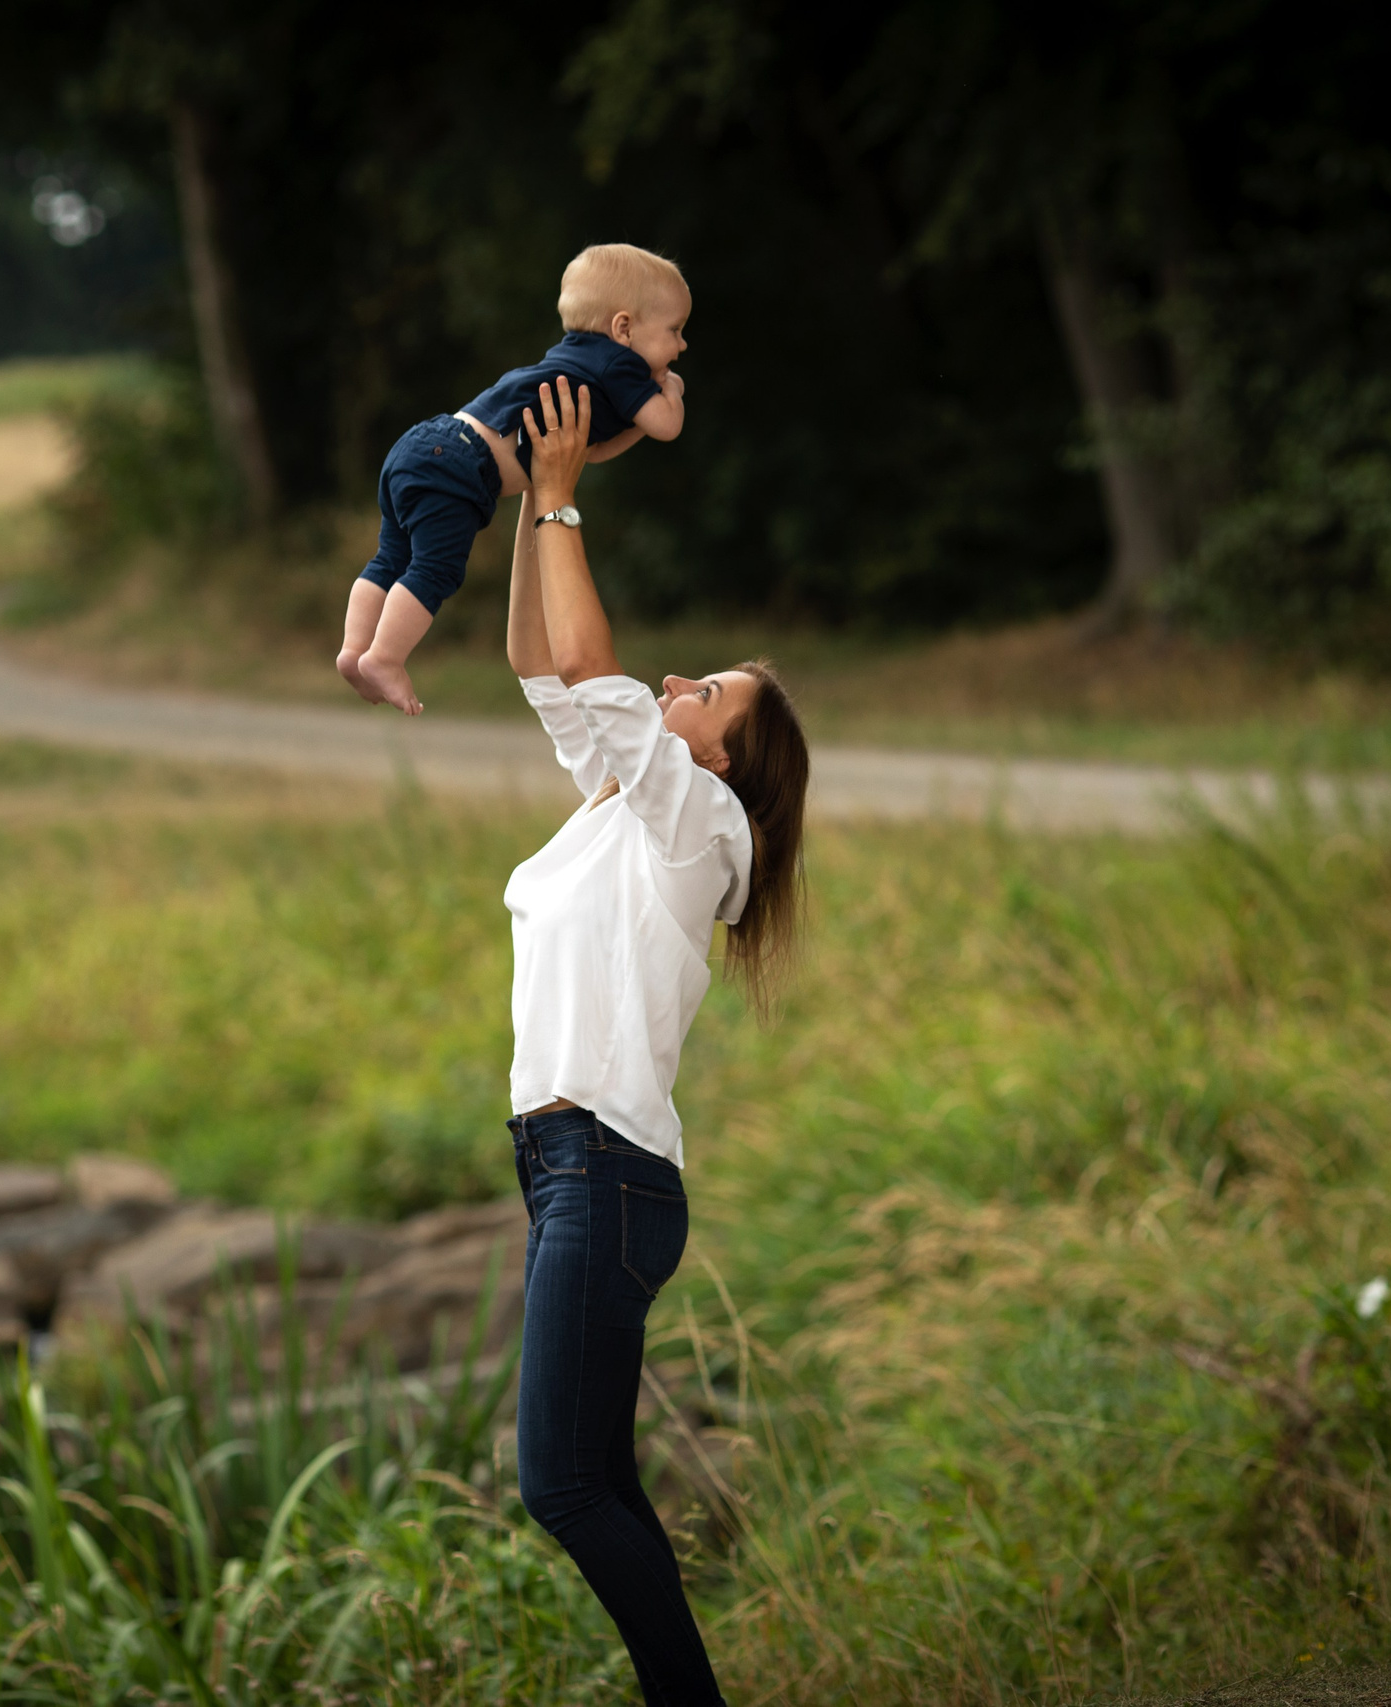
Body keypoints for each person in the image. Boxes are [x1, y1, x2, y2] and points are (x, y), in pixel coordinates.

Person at [501, 373, 809, 1707]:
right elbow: (538, 665)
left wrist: (569, 499)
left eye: (709, 693)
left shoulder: (707, 828)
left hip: (608, 1173)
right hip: (565, 1168)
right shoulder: (628, 804)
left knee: (562, 1484)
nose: (679, 680)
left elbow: (593, 668)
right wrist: (527, 501)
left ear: (727, 762)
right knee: (599, 1481)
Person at [338, 243, 691, 716]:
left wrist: (636, 421)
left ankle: (353, 649)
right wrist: (672, 390)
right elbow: (667, 425)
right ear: (623, 327)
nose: (682, 346)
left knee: (391, 557)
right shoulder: (621, 364)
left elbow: (595, 448)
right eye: (675, 331)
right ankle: (384, 657)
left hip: (427, 442)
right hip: (462, 466)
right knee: (435, 568)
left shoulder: (578, 359)